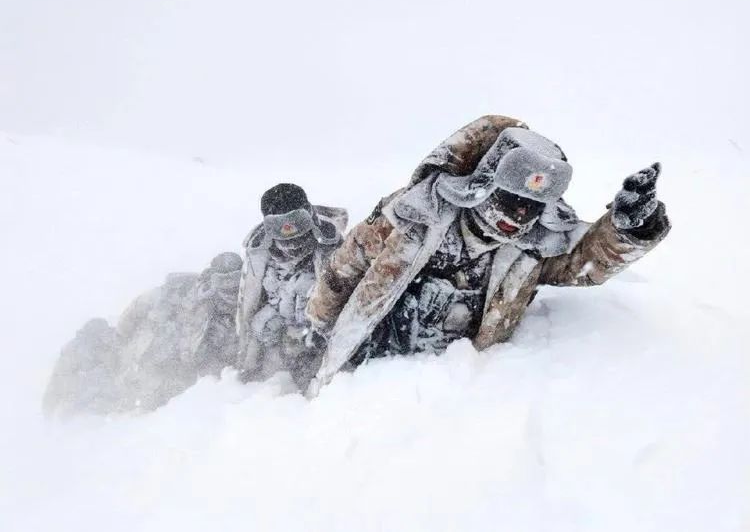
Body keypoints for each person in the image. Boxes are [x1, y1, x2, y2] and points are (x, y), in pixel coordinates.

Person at [305, 115, 671, 394]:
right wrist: (321, 324)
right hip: (367, 372)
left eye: (532, 205)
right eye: (510, 198)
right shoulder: (413, 214)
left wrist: (629, 229)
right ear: (482, 183)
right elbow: (343, 269)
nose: (520, 214)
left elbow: (583, 262)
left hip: (452, 391)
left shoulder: (535, 246)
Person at [44, 253, 244, 416]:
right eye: (223, 280)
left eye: (233, 280)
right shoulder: (181, 292)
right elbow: (133, 315)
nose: (229, 287)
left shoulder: (227, 311)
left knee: (125, 398)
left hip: (160, 373)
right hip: (146, 362)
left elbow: (131, 318)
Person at [235, 183, 347, 388]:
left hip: (317, 332)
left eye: (297, 224)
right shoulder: (258, 250)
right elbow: (248, 302)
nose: (292, 242)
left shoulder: (330, 243)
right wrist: (247, 356)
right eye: (278, 227)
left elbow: (340, 296)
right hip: (277, 333)